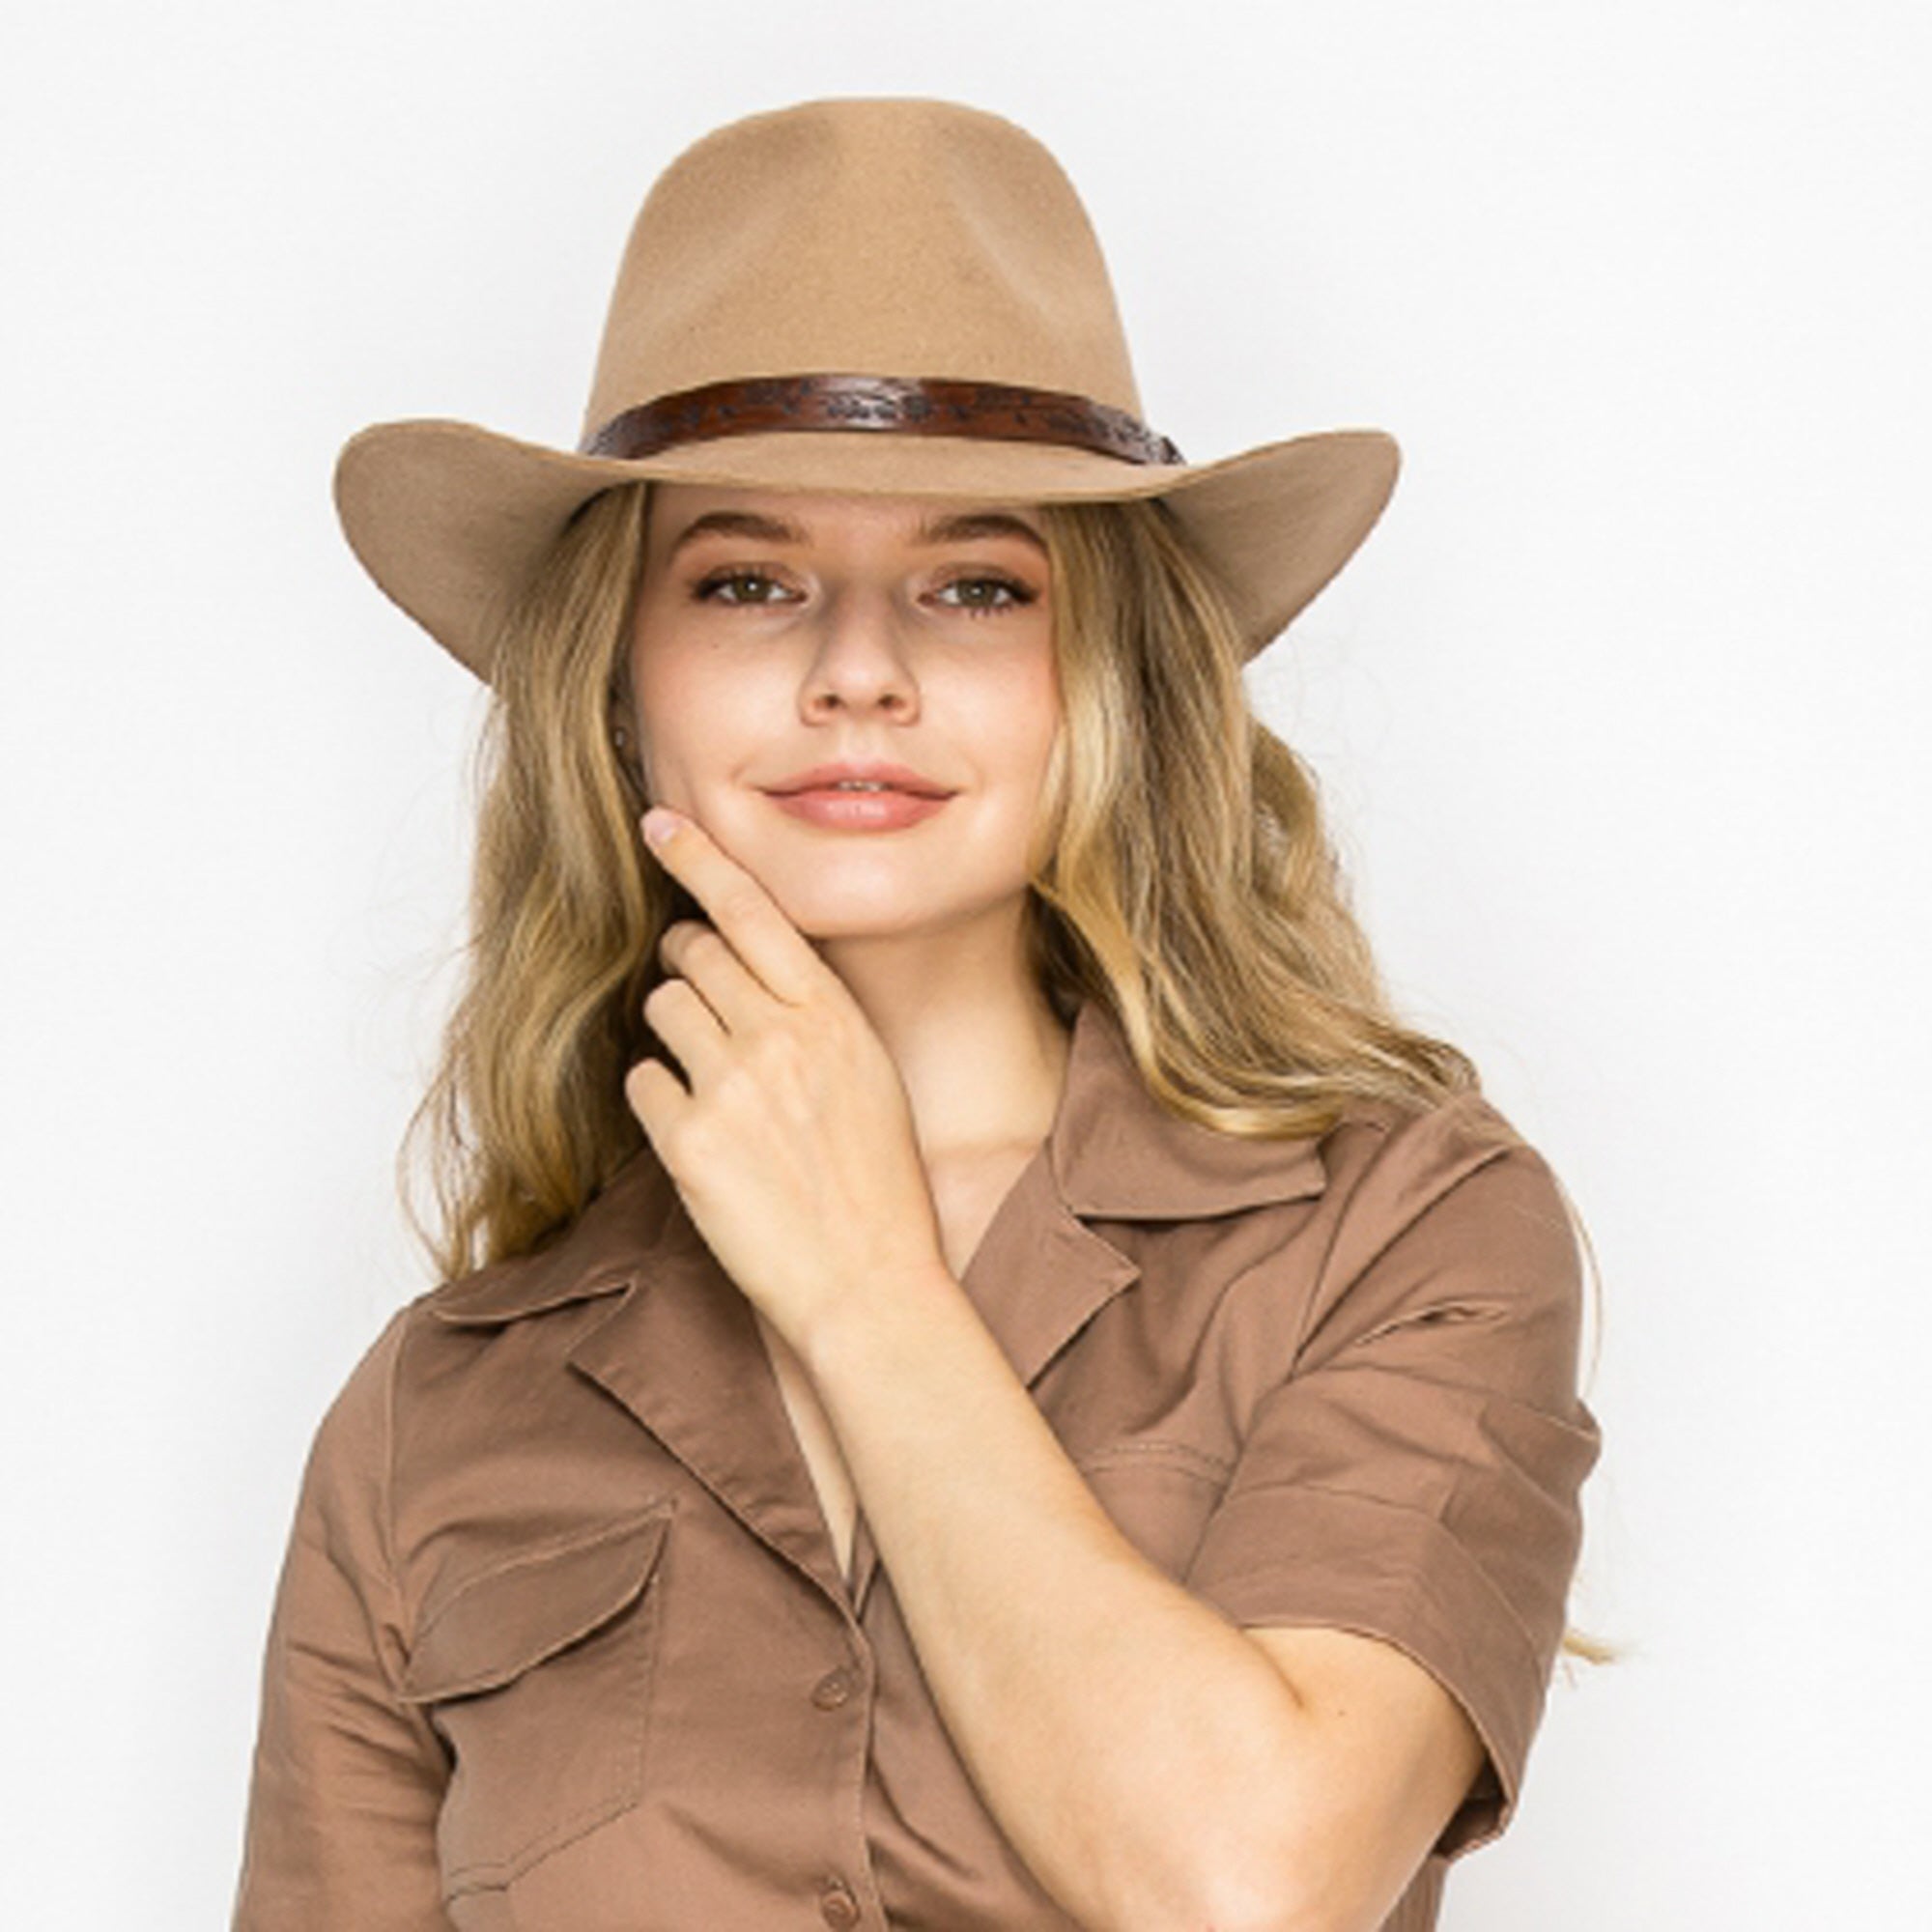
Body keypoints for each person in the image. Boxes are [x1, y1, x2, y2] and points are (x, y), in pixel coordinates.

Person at [231, 96, 1605, 1932]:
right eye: (746, 580)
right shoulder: (434, 1413)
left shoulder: (1402, 1230)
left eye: (974, 584)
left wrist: (864, 1279)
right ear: (621, 679)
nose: (857, 672)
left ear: (1102, 670)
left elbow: (1252, 1891)